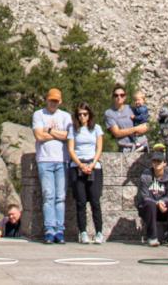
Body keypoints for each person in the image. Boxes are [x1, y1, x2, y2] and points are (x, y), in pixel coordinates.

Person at [31, 88, 72, 244]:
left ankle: (59, 230)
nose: (53, 103)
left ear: (60, 101)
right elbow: (39, 136)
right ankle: (49, 229)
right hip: (45, 159)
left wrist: (48, 130)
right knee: (48, 195)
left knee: (60, 197)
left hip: (62, 159)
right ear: (46, 100)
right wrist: (57, 134)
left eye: (56, 101)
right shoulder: (38, 114)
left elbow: (68, 135)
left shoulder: (65, 116)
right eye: (51, 100)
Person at [67, 102, 105, 244]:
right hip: (78, 165)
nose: (82, 117)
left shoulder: (96, 128)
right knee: (81, 201)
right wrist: (81, 165)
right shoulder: (73, 129)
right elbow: (71, 149)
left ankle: (99, 232)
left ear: (89, 115)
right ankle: (83, 232)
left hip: (93, 165)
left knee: (95, 201)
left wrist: (92, 164)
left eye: (85, 114)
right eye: (80, 115)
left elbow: (99, 148)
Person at [135, 146, 168, 247]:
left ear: (164, 163)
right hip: (147, 208)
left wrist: (161, 202)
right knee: (150, 205)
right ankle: (152, 238)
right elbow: (144, 196)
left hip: (162, 207)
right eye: (154, 161)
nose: (156, 163)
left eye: (159, 161)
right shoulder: (145, 176)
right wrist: (157, 203)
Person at [105, 85, 149, 153]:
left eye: (122, 95)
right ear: (113, 97)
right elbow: (117, 133)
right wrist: (136, 129)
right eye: (116, 95)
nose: (119, 97)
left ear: (125, 97)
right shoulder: (109, 113)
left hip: (141, 146)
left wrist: (146, 127)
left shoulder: (132, 108)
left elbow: (145, 122)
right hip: (125, 149)